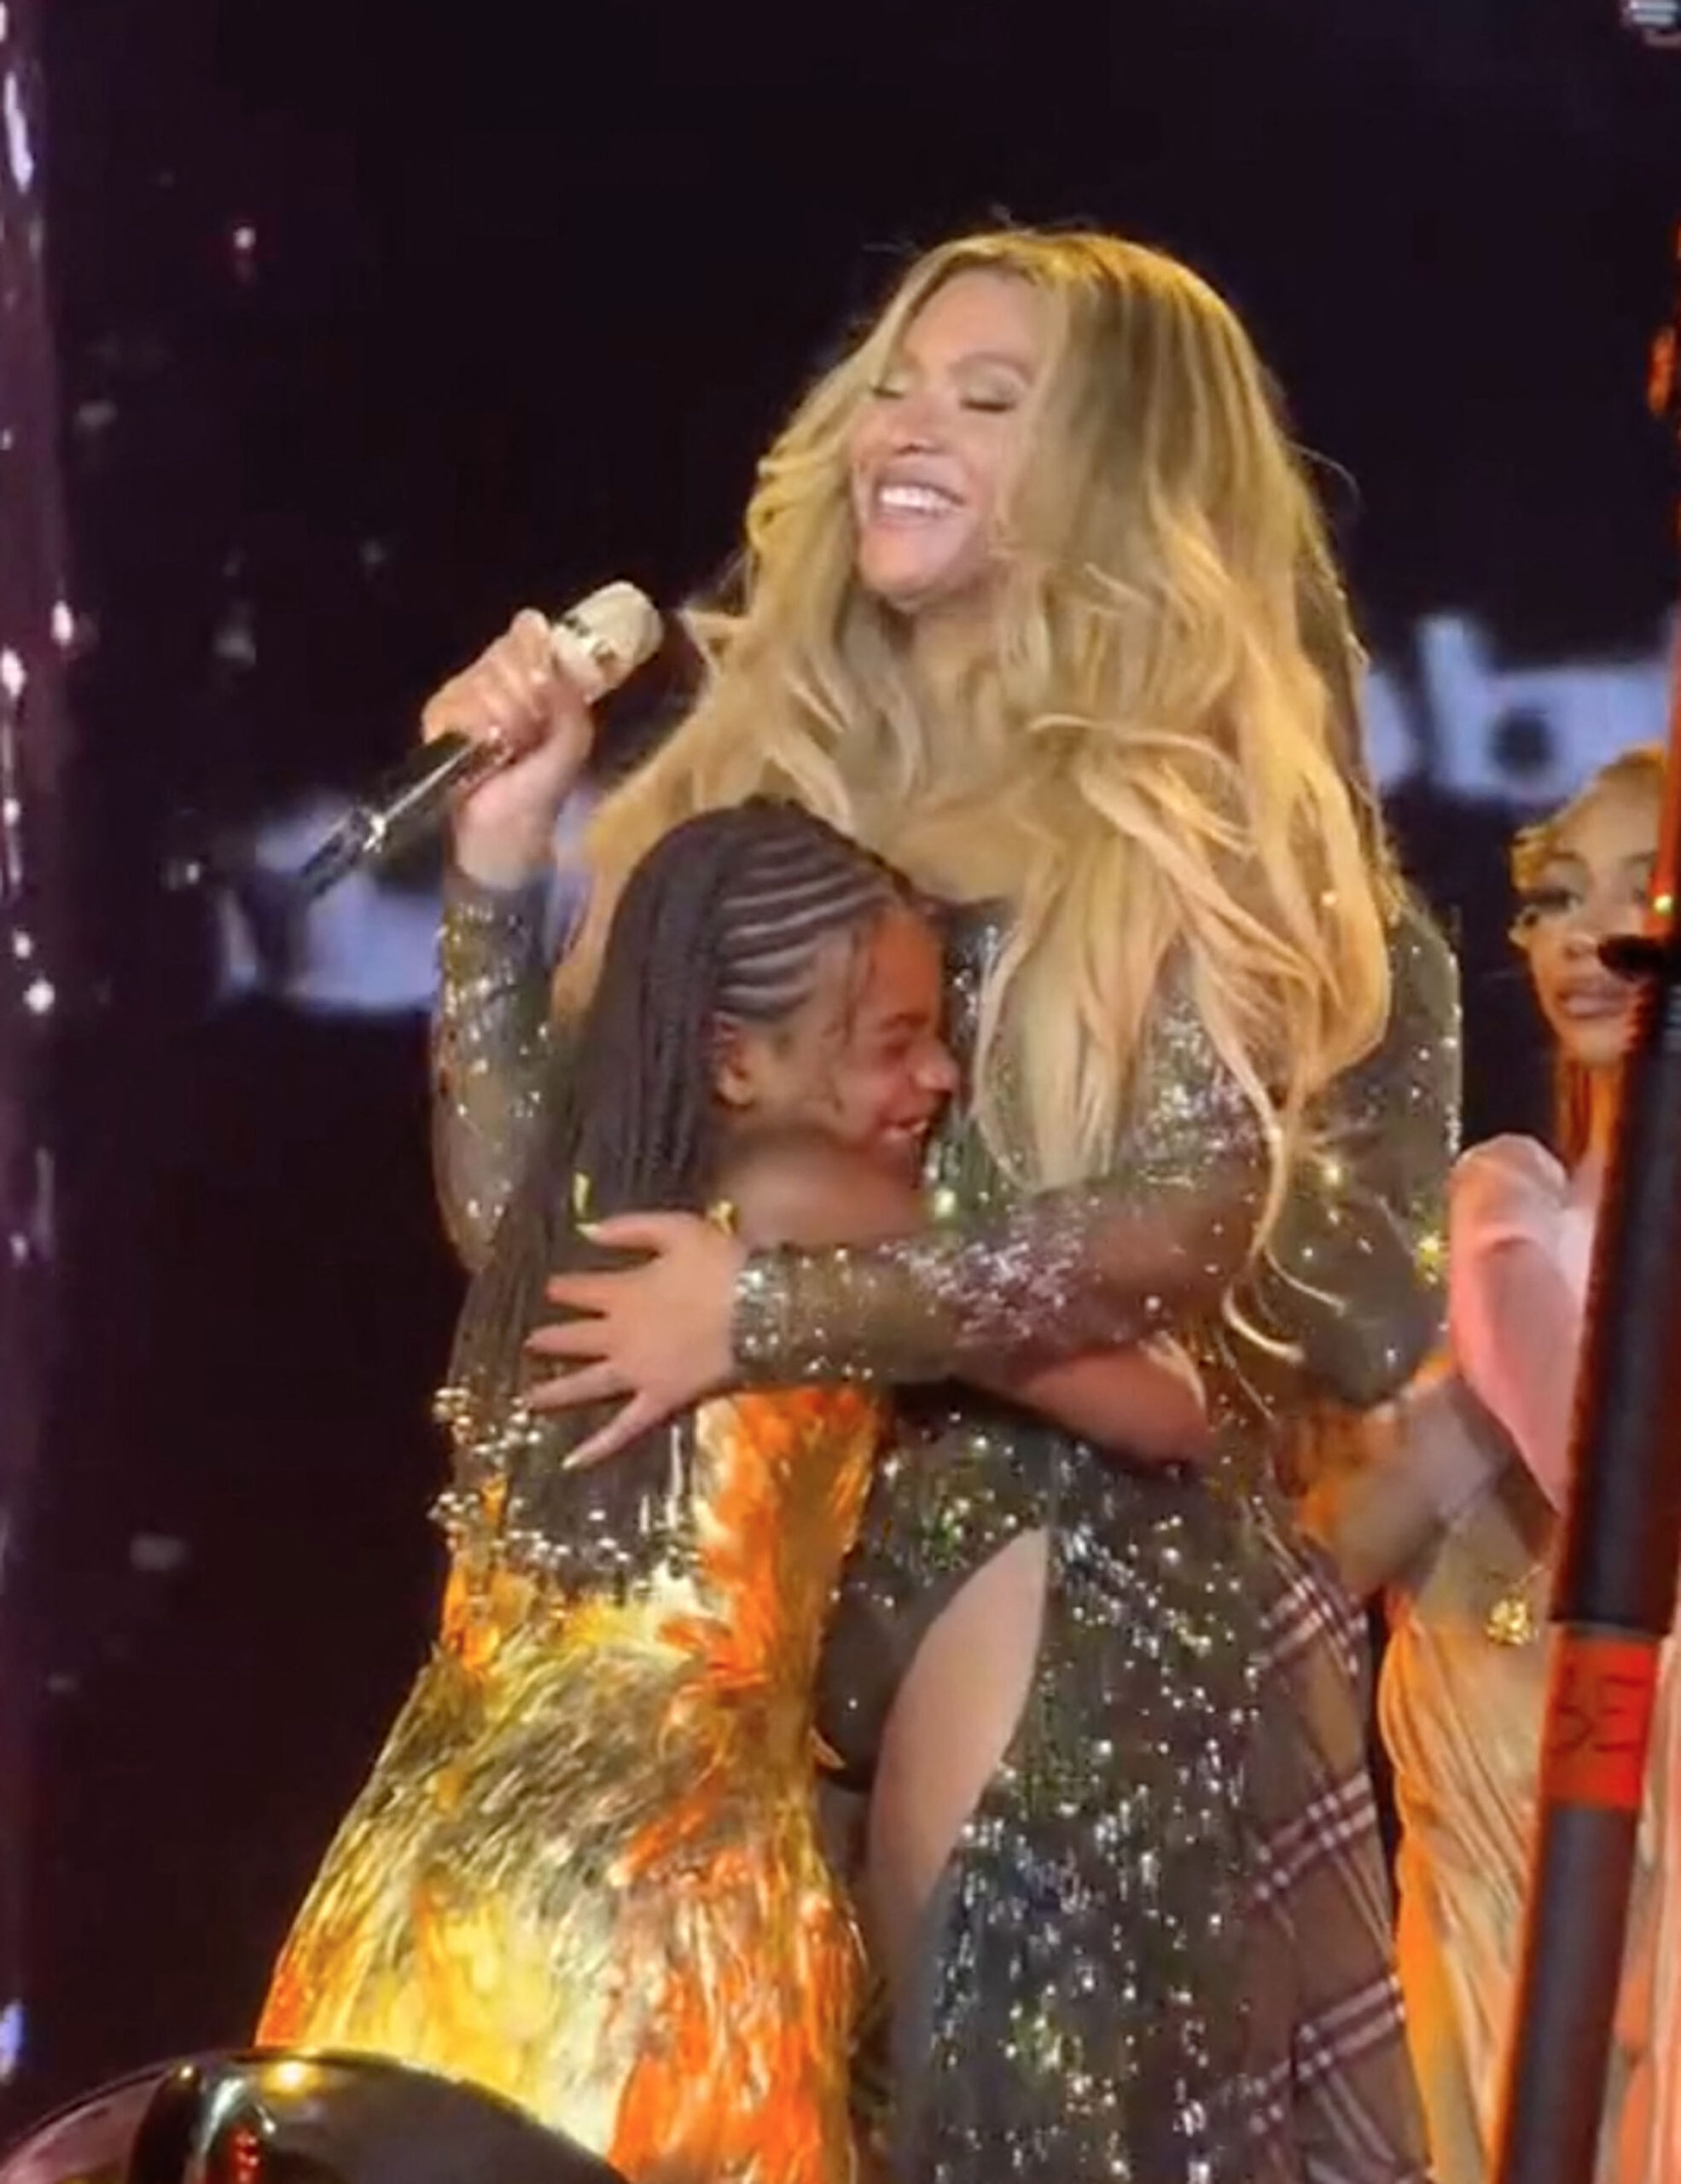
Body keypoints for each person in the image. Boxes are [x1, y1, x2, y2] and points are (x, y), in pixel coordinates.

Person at [418, 229, 1459, 2184]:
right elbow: (528, 1241)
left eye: (990, 401)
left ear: (1121, 475)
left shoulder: (1191, 814)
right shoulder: (753, 815)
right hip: (760, 1614)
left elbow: (1185, 1213)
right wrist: (499, 861)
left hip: (1078, 1590)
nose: (907, 428)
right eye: (897, 382)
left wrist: (767, 1306)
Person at [258, 796, 1208, 2184]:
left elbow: (481, 1121)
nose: (939, 1077)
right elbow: (1162, 1404)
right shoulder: (813, 1209)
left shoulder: (555, 1221)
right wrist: (801, 1308)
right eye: (893, 1042)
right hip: (663, 1881)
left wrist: (491, 860)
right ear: (737, 1063)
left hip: (435, 1868)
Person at [1302, 744, 1680, 2184]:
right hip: (1476, 1930)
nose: (1589, 938)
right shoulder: (1478, 1245)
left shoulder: (1506, 1237)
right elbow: (1322, 1558)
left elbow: (1608, 1466)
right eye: (1552, 899)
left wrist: (1502, 1250)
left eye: (1638, 893)